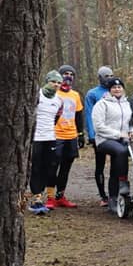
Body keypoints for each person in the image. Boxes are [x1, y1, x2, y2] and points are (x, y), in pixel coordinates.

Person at [92, 77, 133, 214]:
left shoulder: (127, 104)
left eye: (119, 87)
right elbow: (98, 127)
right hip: (104, 139)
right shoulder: (102, 104)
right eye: (114, 88)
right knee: (121, 151)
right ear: (109, 90)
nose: (117, 89)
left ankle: (119, 195)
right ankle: (119, 188)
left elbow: (131, 122)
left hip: (122, 139)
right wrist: (118, 134)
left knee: (125, 156)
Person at [29, 71, 64, 215]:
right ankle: (35, 199)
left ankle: (41, 196)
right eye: (53, 82)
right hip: (36, 137)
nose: (56, 85)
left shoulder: (59, 100)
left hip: (50, 137)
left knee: (48, 167)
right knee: (35, 167)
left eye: (58, 83)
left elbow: (56, 118)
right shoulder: (36, 95)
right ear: (47, 81)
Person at [51, 66, 83, 209]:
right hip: (55, 135)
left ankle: (60, 196)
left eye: (71, 74)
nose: (68, 76)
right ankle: (50, 197)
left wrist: (81, 135)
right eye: (65, 74)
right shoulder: (53, 93)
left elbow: (79, 116)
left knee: (66, 167)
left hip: (71, 135)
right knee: (53, 165)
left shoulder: (75, 95)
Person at [85, 65, 113, 205]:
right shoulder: (92, 94)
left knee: (117, 164)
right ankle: (103, 196)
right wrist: (91, 134)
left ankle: (116, 193)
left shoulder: (116, 91)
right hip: (99, 135)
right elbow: (89, 114)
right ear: (100, 77)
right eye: (106, 76)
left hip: (114, 134)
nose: (109, 79)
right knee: (100, 164)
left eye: (110, 76)